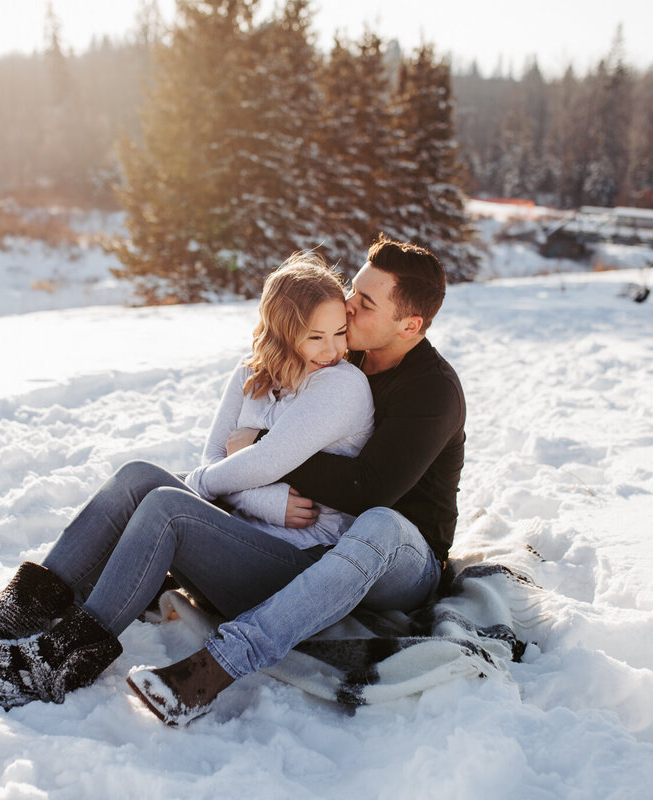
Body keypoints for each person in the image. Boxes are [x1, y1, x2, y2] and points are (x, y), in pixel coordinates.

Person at [0, 252, 376, 708]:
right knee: (137, 476)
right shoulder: (251, 374)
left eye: (340, 333)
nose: (335, 350)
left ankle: (57, 661)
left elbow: (264, 461)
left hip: (295, 570)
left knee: (168, 505)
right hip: (241, 539)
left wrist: (216, 487)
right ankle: (10, 619)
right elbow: (214, 457)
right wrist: (263, 500)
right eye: (317, 337)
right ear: (284, 333)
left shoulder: (341, 385)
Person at [127, 234, 465, 726]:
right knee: (163, 487)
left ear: (409, 324)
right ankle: (58, 589)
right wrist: (256, 471)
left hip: (404, 561)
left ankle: (222, 664)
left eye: (366, 303)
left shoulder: (432, 391)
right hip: (319, 537)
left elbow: (367, 491)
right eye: (353, 289)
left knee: (379, 522)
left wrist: (266, 445)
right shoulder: (341, 353)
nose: (346, 307)